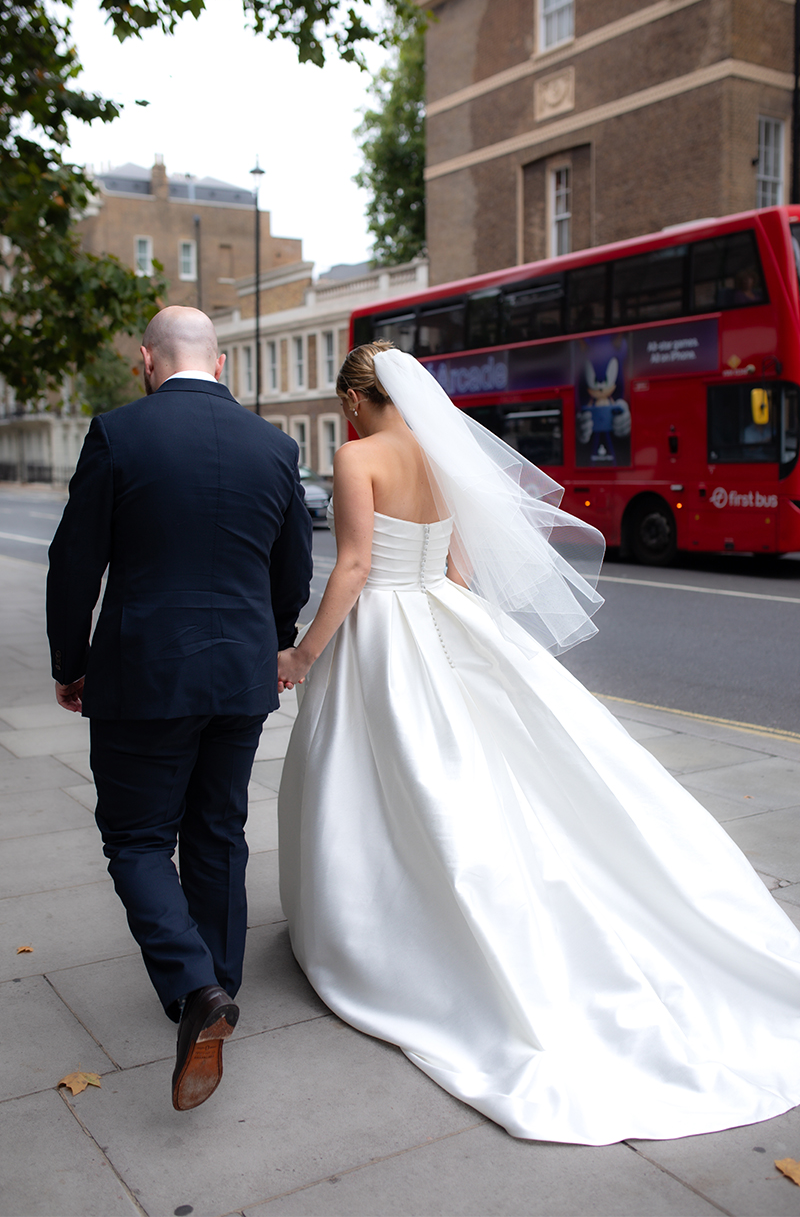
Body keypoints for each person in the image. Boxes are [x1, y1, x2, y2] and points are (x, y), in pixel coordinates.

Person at [276, 341, 800, 1146]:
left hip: (381, 625)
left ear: (353, 403)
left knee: (381, 777)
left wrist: (306, 653)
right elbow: (453, 565)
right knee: (483, 760)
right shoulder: (437, 448)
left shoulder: (359, 458)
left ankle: (373, 921)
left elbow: (351, 566)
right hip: (441, 613)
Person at [47, 306, 312, 1111]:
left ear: (145, 361)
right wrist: (272, 643)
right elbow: (292, 569)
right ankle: (219, 986)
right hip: (240, 676)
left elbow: (73, 562)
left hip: (144, 673)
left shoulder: (119, 434)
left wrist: (72, 664)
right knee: (218, 828)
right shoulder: (276, 446)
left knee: (134, 838)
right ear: (221, 364)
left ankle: (197, 991)